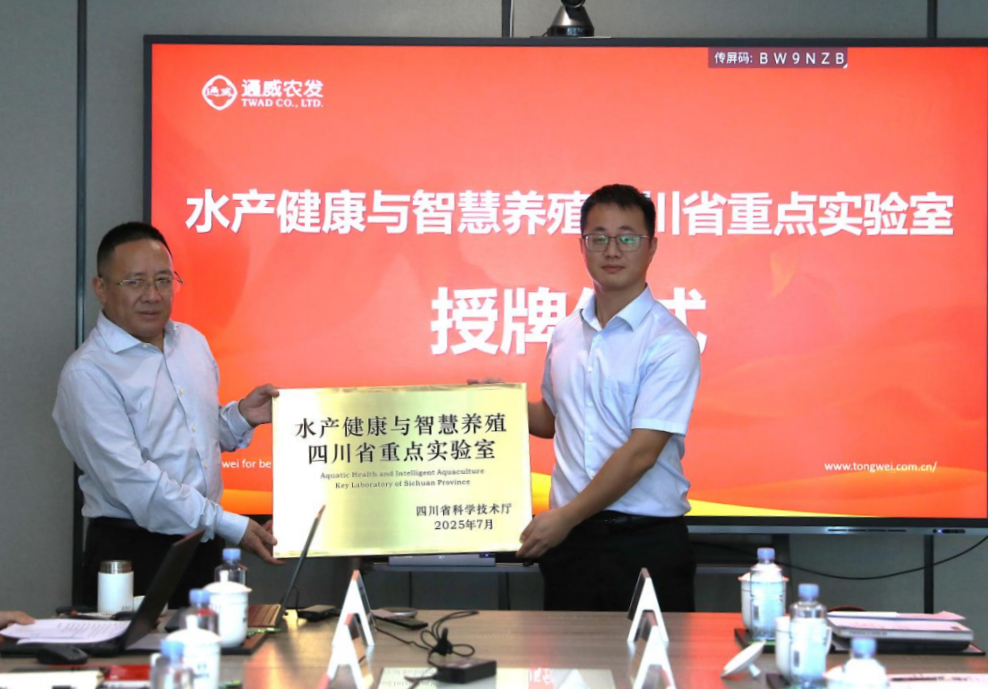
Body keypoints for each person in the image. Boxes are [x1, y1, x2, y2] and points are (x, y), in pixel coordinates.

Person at [478, 184, 701, 612]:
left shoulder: (671, 342)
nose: (612, 250)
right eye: (598, 238)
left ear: (651, 247)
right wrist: (499, 403)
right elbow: (553, 420)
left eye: (627, 238)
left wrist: (565, 517)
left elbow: (641, 453)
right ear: (583, 247)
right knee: (569, 657)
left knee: (653, 657)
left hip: (644, 543)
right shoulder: (565, 334)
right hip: (570, 545)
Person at [54, 222, 282, 607]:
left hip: (202, 547)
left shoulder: (191, 342)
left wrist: (242, 416)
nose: (153, 295)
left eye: (163, 280)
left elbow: (195, 438)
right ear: (101, 288)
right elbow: (135, 483)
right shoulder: (88, 374)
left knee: (213, 645)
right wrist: (228, 523)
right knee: (134, 649)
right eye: (135, 282)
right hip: (132, 554)